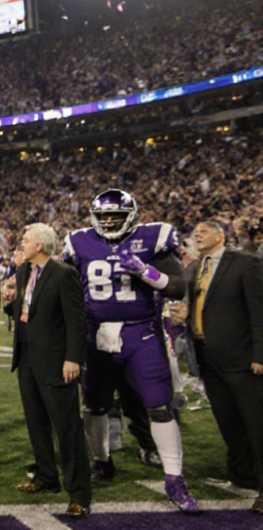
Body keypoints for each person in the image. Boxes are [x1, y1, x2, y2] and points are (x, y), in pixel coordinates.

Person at [62, 189, 197, 513]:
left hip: (141, 333)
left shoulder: (153, 237)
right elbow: (68, 289)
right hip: (96, 335)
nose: (109, 222)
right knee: (94, 406)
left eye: (116, 217)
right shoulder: (78, 241)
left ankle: (174, 479)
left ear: (131, 215)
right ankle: (102, 460)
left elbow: (178, 287)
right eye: (103, 217)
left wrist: (144, 271)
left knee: (159, 407)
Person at [174, 220, 263, 514]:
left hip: (241, 358)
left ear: (220, 235)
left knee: (256, 424)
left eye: (203, 232)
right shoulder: (196, 267)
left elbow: (258, 311)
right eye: (194, 233)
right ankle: (242, 476)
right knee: (228, 422)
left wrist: (260, 354)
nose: (196, 236)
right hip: (208, 359)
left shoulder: (245, 262)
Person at [7, 223, 90, 518]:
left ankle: (79, 492)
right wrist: (10, 307)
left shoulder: (64, 274)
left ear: (40, 245)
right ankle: (46, 477)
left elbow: (76, 321)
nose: (22, 243)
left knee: (67, 428)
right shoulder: (22, 272)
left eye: (26, 240)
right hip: (27, 356)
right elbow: (29, 310)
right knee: (36, 423)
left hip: (55, 360)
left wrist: (73, 358)